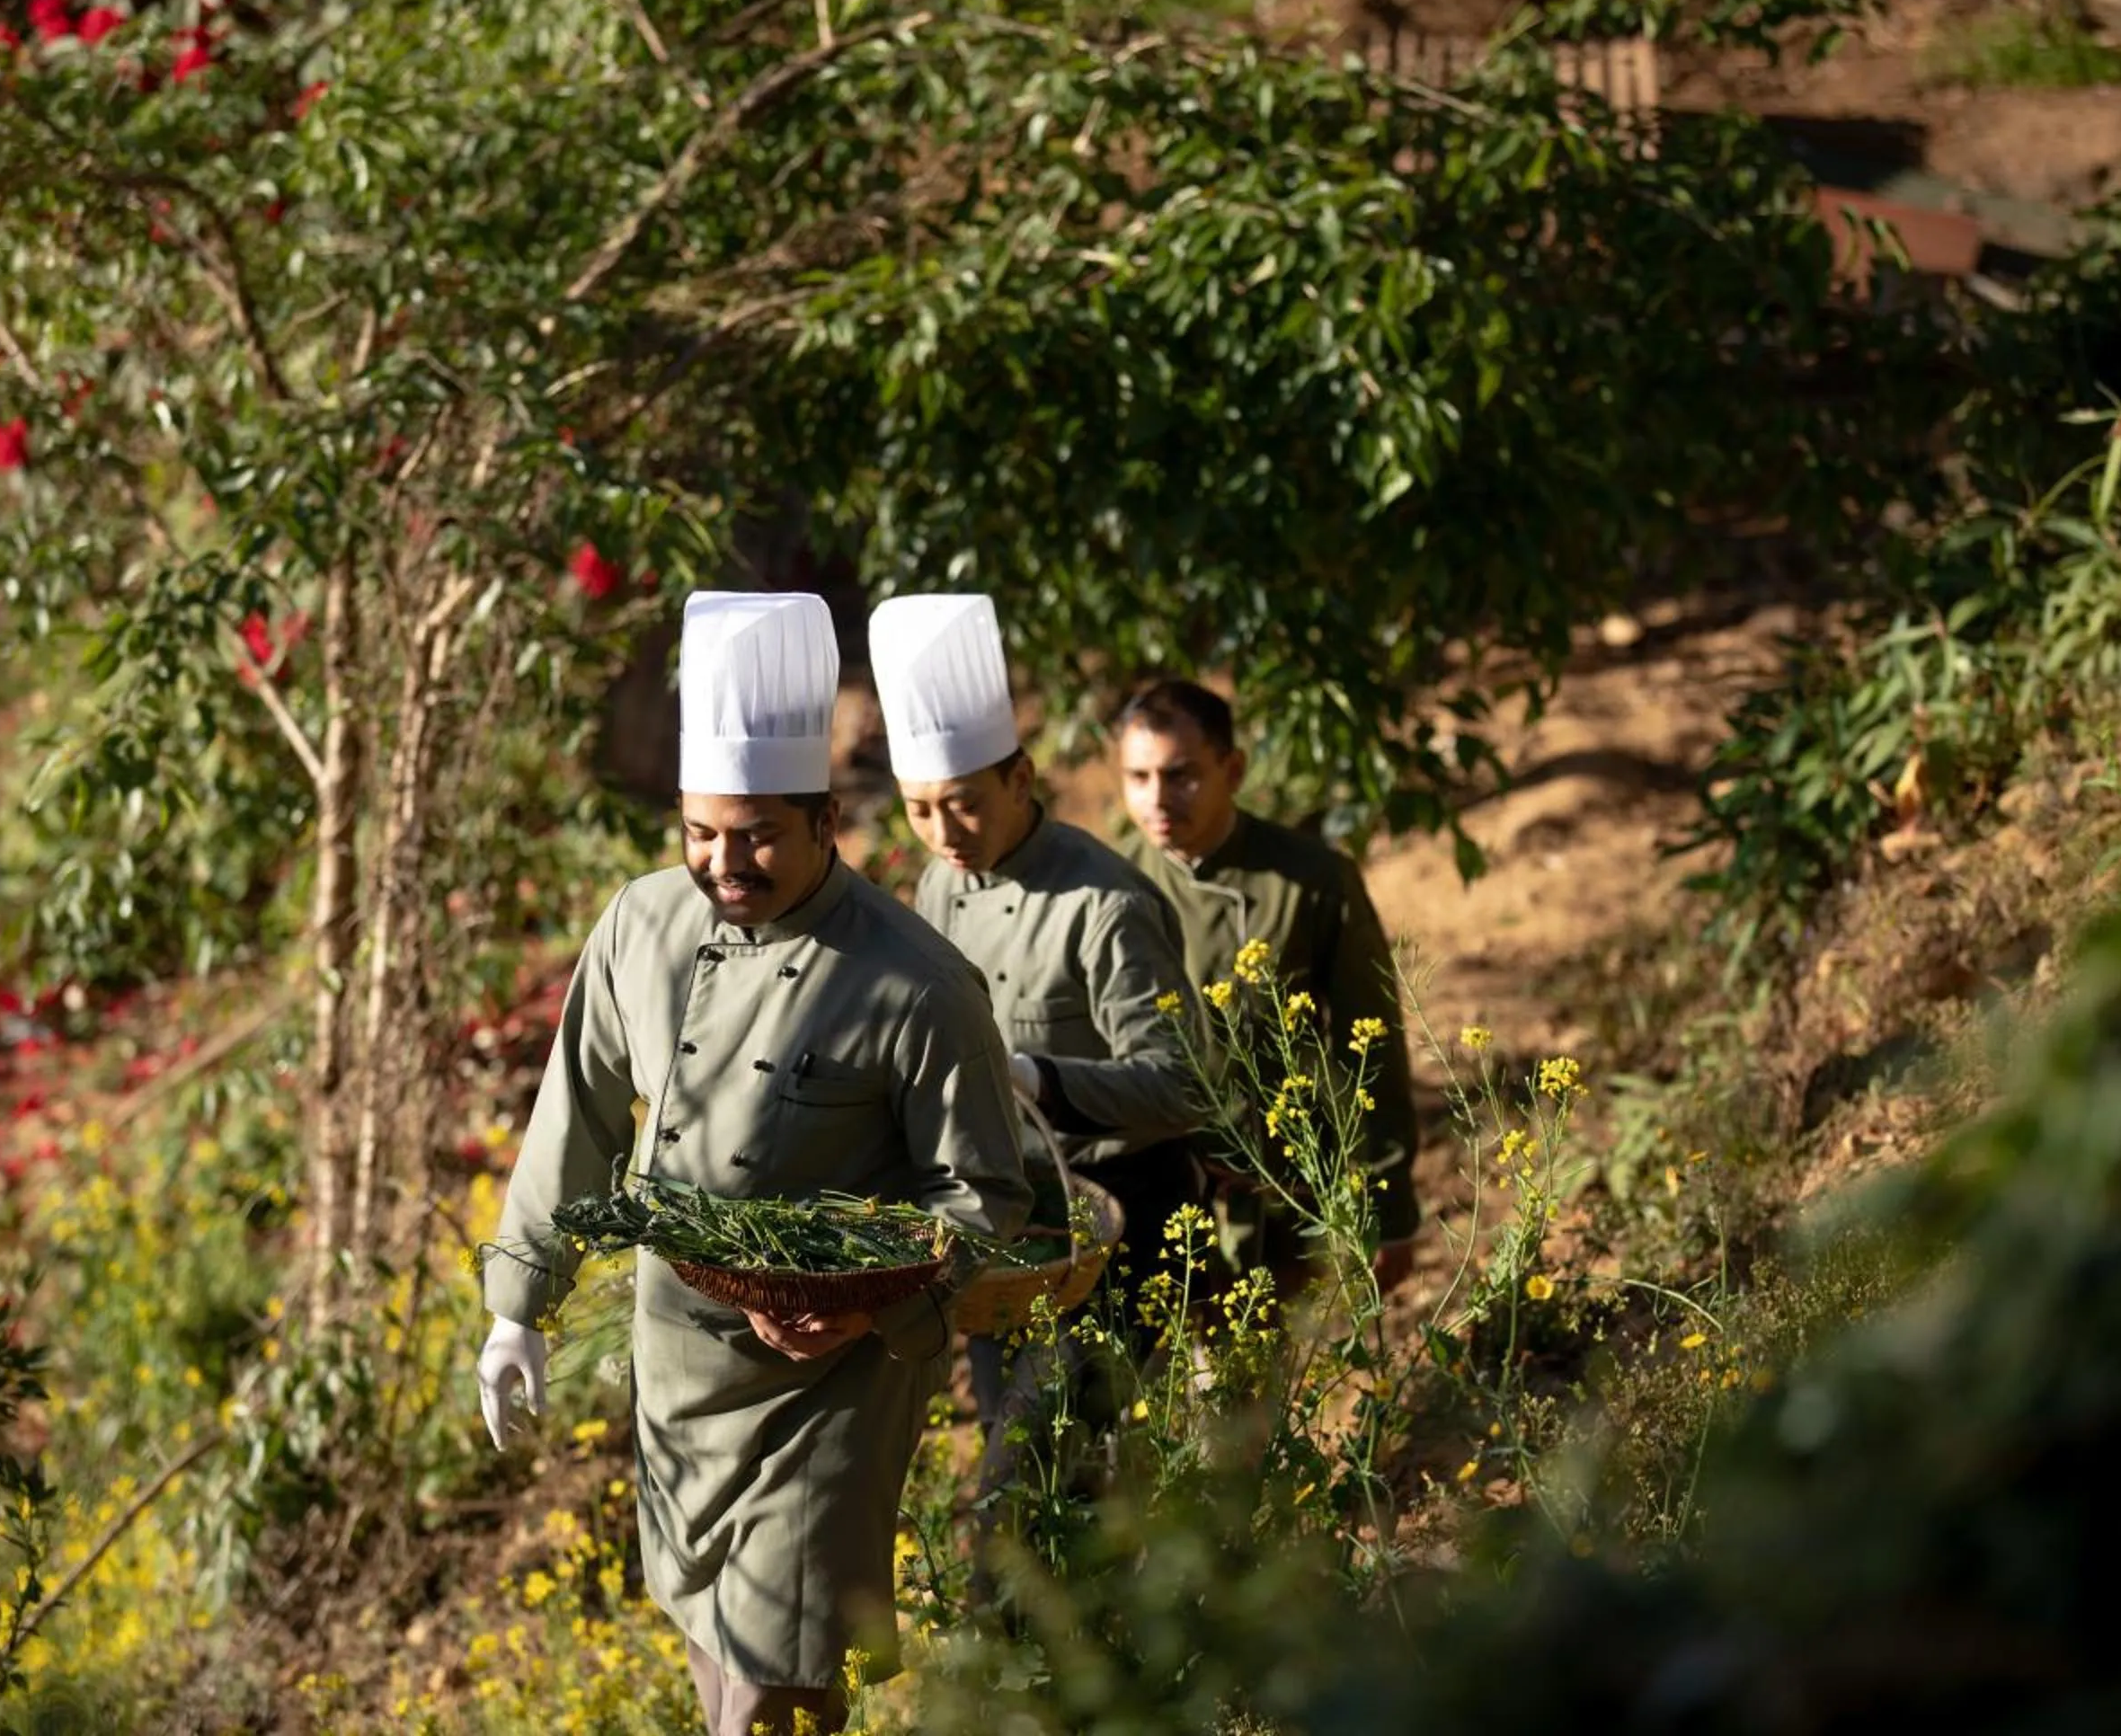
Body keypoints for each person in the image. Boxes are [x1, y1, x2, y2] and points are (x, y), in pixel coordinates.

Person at [475, 590, 1031, 1736]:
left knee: (773, 1696)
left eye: (758, 835)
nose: (723, 862)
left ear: (826, 816)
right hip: (680, 1373)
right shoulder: (639, 925)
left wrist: (875, 1303)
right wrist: (517, 1305)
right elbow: (573, 1110)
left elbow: (983, 1198)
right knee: (719, 1671)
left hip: (833, 1385)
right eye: (700, 832)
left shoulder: (915, 982)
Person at [868, 594, 1204, 1386]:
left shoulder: (1105, 906)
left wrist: (1036, 1079)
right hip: (1009, 1215)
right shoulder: (939, 886)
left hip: (1121, 1213)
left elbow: (1184, 1084)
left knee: (1053, 1464)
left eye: (964, 805)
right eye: (919, 811)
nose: (944, 833)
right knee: (1007, 1432)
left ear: (1020, 778)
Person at [1111, 679, 1422, 1296]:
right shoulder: (1110, 885)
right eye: (1138, 778)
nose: (1158, 799)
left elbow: (1373, 1045)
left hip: (1294, 1193)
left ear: (1233, 769)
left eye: (1181, 776)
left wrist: (1389, 1207)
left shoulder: (1310, 880)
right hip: (1157, 1200)